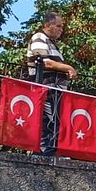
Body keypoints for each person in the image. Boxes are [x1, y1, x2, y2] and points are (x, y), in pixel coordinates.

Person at [27, 12, 77, 156]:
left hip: (55, 90)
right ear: (48, 25)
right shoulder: (39, 38)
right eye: (59, 26)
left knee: (54, 121)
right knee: (50, 121)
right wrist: (69, 68)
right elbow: (46, 62)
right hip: (46, 88)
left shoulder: (50, 42)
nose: (61, 29)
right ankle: (45, 154)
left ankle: (49, 152)